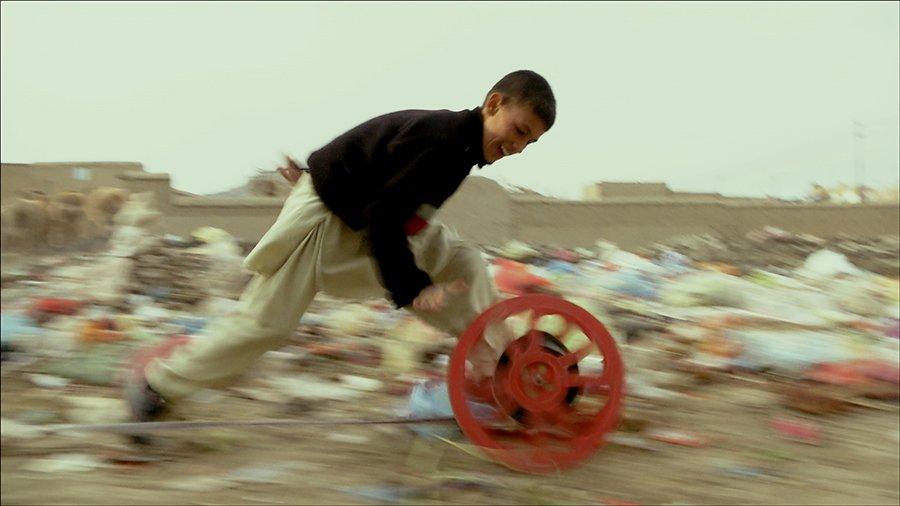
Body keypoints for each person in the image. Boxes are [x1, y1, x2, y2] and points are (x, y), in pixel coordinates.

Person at [124, 70, 556, 437]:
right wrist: (411, 286)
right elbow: (384, 214)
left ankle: (500, 368)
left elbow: (376, 170)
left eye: (531, 143)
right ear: (494, 104)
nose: (518, 147)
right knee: (266, 324)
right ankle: (155, 384)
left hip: (364, 216)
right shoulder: (443, 141)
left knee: (462, 261)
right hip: (328, 221)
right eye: (519, 131)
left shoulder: (458, 145)